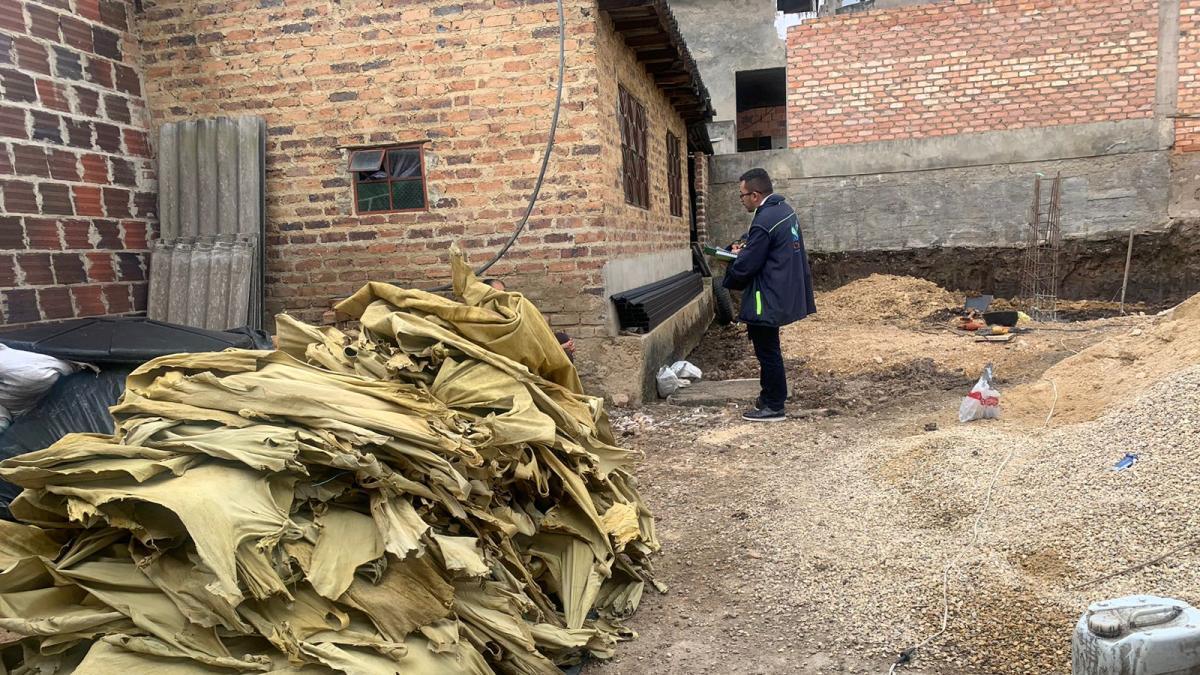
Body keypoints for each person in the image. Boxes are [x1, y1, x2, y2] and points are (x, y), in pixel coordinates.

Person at [722, 168, 816, 422]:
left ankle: (774, 405)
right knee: (768, 348)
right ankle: (768, 397)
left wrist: (730, 266)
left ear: (755, 195)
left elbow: (748, 265)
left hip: (767, 294)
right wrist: (745, 244)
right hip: (781, 289)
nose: (741, 200)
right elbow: (761, 244)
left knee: (767, 351)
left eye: (742, 195)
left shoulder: (765, 219)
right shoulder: (783, 210)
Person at [483, 278, 576, 361]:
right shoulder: (487, 314)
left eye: (504, 292)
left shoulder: (510, 307)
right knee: (566, 355)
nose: (503, 296)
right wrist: (558, 349)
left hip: (529, 342)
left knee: (562, 338)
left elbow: (531, 331)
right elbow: (517, 344)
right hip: (516, 351)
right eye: (498, 293)